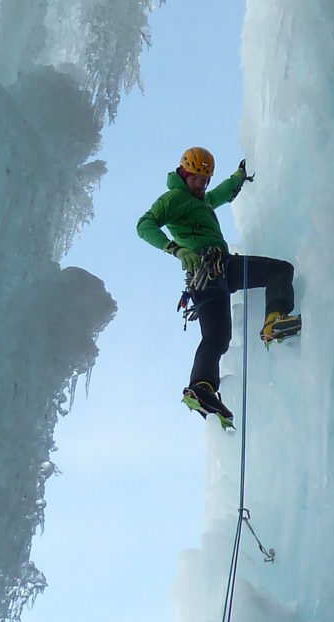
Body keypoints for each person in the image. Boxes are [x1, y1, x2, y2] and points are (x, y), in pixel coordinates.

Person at [136, 146, 300, 427]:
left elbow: (218, 195)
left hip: (208, 279)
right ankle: (274, 319)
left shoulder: (201, 200)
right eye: (197, 179)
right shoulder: (175, 198)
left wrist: (238, 177)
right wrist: (174, 249)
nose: (202, 185)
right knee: (280, 270)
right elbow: (145, 224)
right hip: (212, 267)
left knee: (217, 337)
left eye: (206, 179)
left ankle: (201, 388)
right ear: (184, 173)